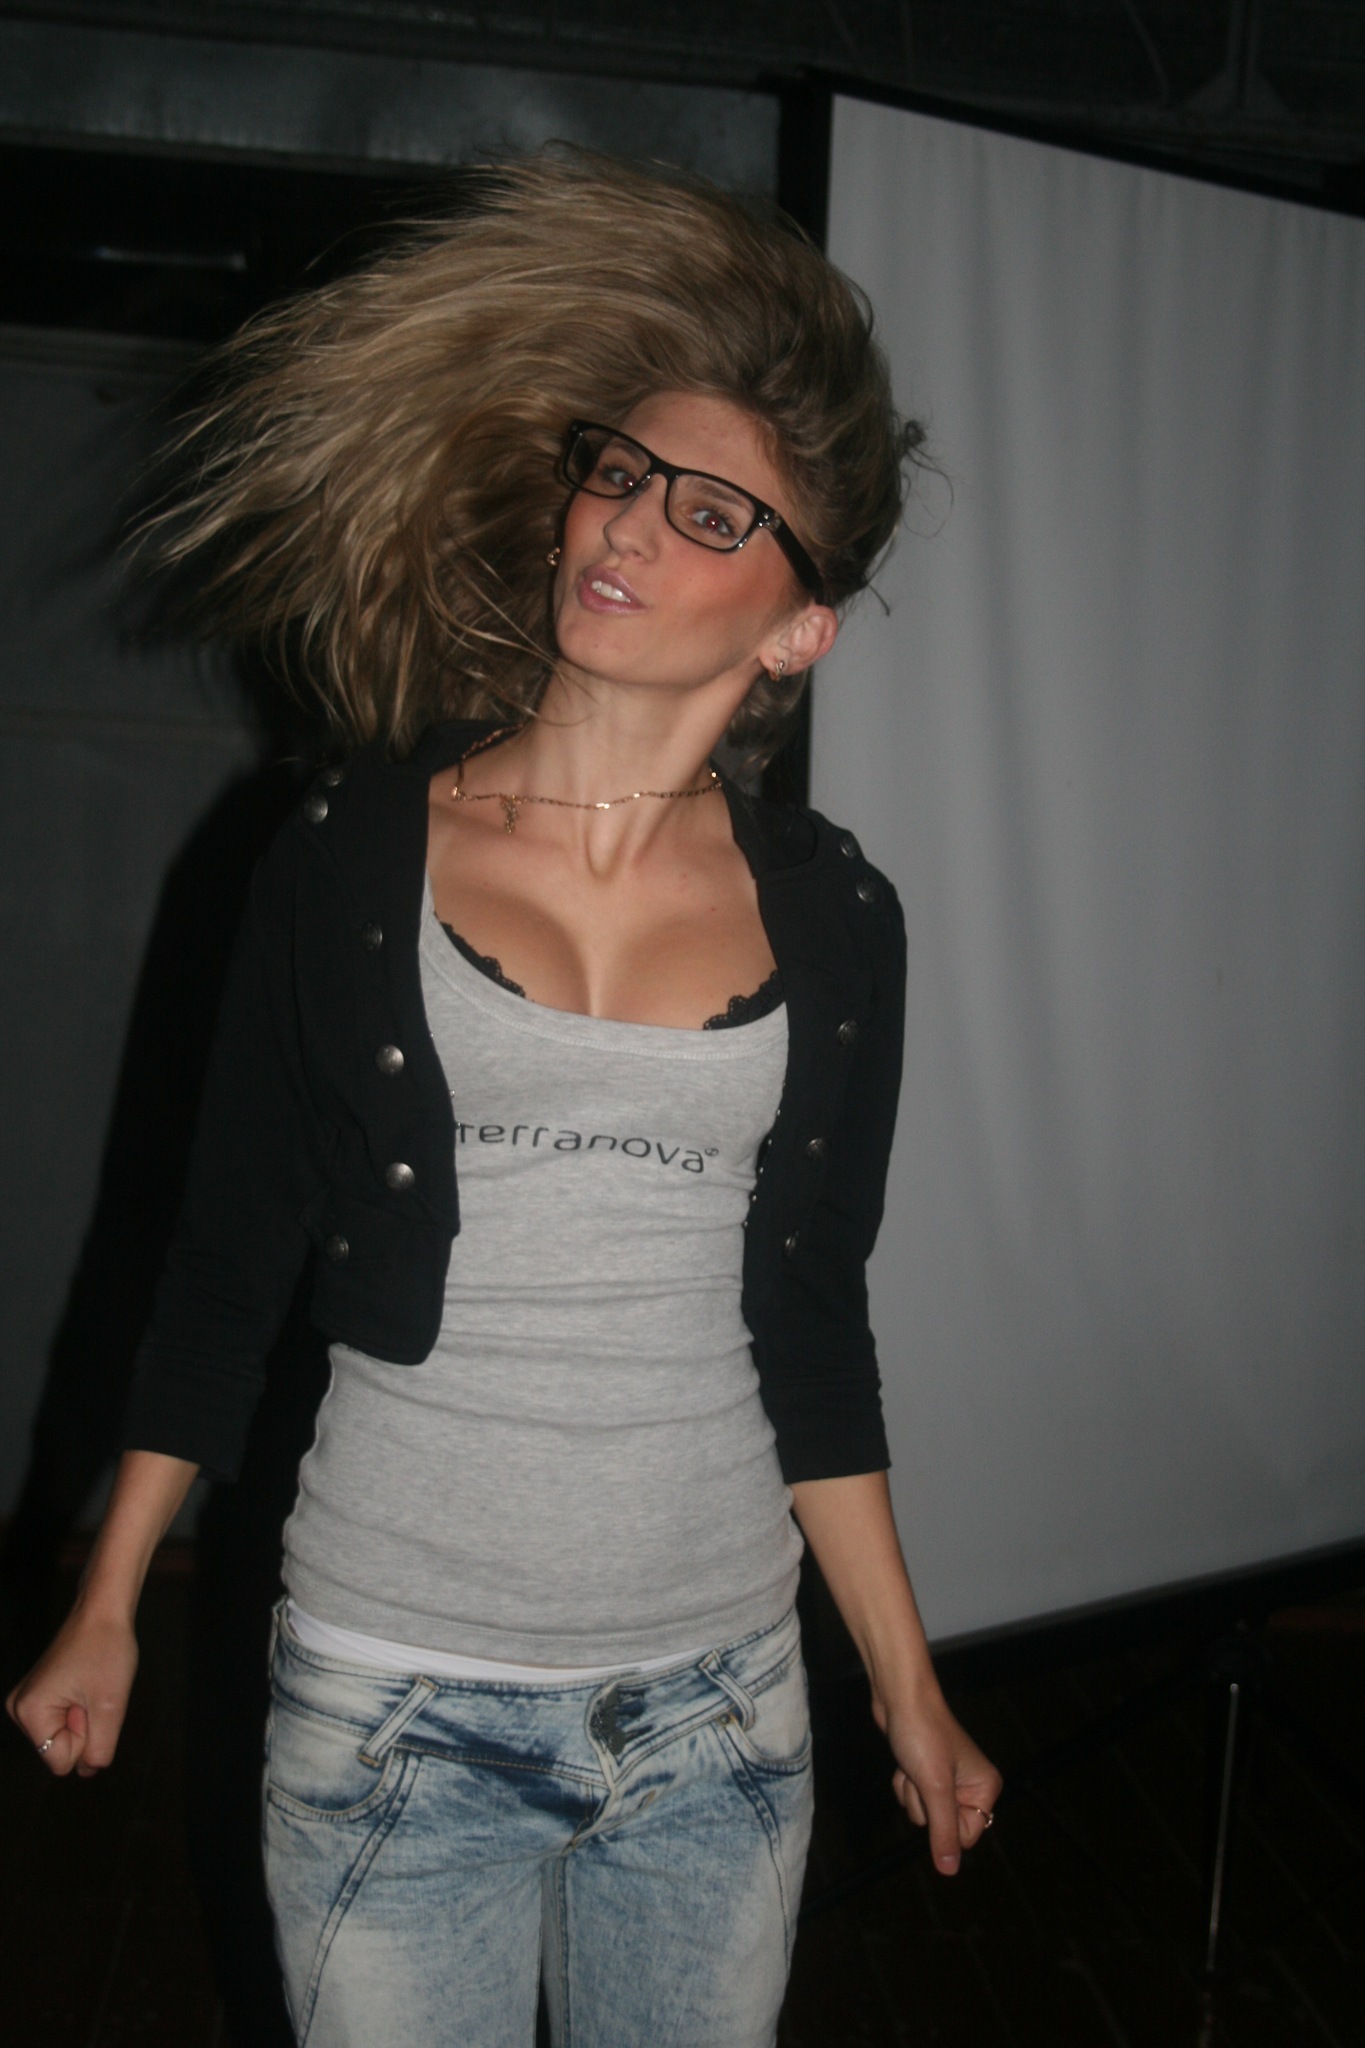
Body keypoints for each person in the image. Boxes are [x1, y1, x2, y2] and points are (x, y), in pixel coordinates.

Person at [7, 151, 1001, 2047]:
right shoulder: (348, 856)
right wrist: (108, 1592)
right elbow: (221, 1264)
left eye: (709, 513)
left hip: (718, 1707)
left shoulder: (841, 919)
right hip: (395, 1694)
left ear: (797, 627)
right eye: (617, 473)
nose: (628, 523)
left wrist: (904, 1683)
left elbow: (811, 1325)